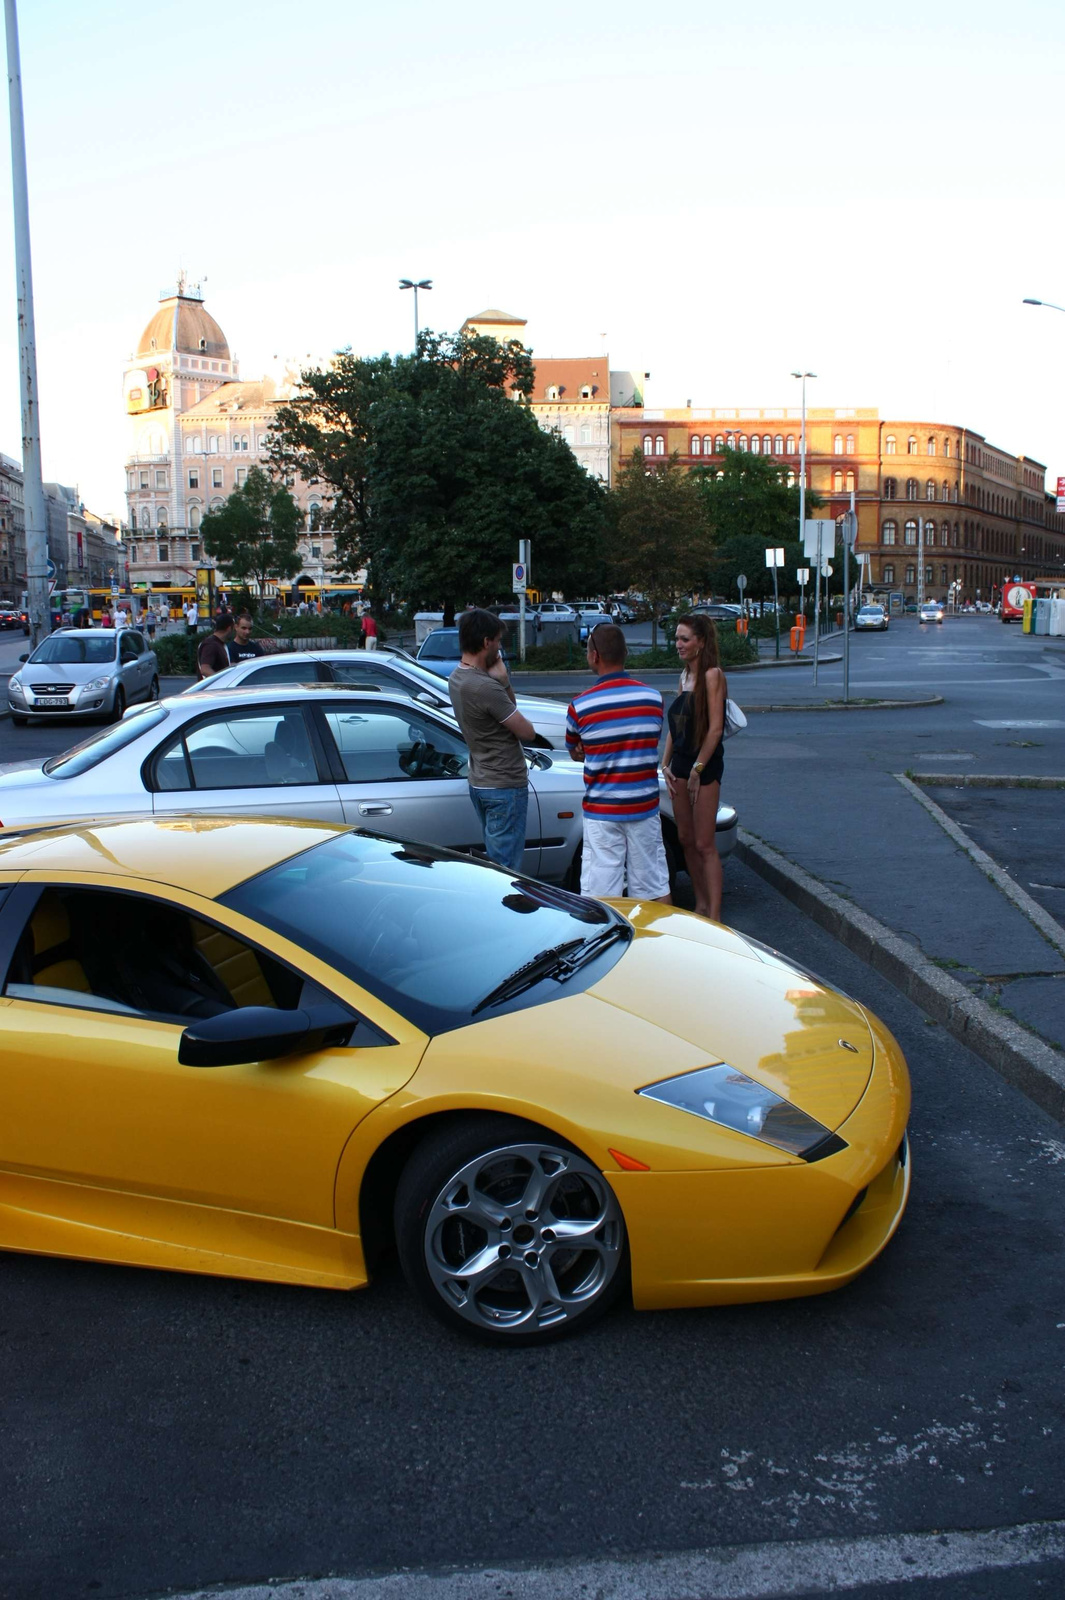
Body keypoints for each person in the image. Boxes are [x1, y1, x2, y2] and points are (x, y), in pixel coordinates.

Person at [565, 623, 671, 904]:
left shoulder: (580, 706)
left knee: (600, 896)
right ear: (625, 652)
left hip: (602, 812)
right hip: (644, 808)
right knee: (654, 886)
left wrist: (591, 749)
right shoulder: (653, 699)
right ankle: (661, 942)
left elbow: (576, 750)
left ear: (595, 656)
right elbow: (648, 740)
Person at [448, 607, 535, 873]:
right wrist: (504, 682)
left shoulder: (457, 677)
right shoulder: (484, 687)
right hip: (504, 785)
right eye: (498, 641)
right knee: (505, 871)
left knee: (495, 862)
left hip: (481, 780)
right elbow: (527, 732)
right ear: (486, 642)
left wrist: (501, 681)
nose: (500, 647)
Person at [662, 613, 727, 922]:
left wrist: (698, 771)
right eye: (677, 638)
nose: (679, 644)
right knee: (686, 839)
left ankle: (714, 916)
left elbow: (715, 729)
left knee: (704, 844)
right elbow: (677, 726)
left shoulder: (713, 675)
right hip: (680, 766)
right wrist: (665, 763)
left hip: (705, 766)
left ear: (701, 642)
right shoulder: (683, 676)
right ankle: (700, 906)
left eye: (685, 639)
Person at [196, 610, 234, 679]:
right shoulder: (211, 644)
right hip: (211, 689)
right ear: (229, 628)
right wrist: (222, 681)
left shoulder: (217, 643)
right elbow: (205, 669)